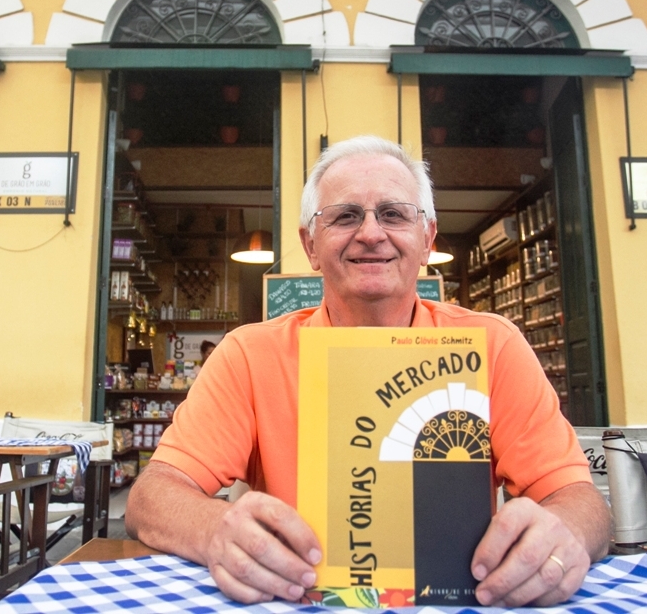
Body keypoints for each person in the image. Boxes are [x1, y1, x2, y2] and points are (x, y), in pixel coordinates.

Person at [126, 136, 610, 608]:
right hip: (298, 598)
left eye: (394, 214)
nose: (372, 233)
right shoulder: (249, 355)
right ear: (310, 245)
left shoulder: (494, 346)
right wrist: (215, 529)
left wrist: (561, 535)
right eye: (346, 216)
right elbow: (152, 497)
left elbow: (580, 502)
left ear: (427, 239)